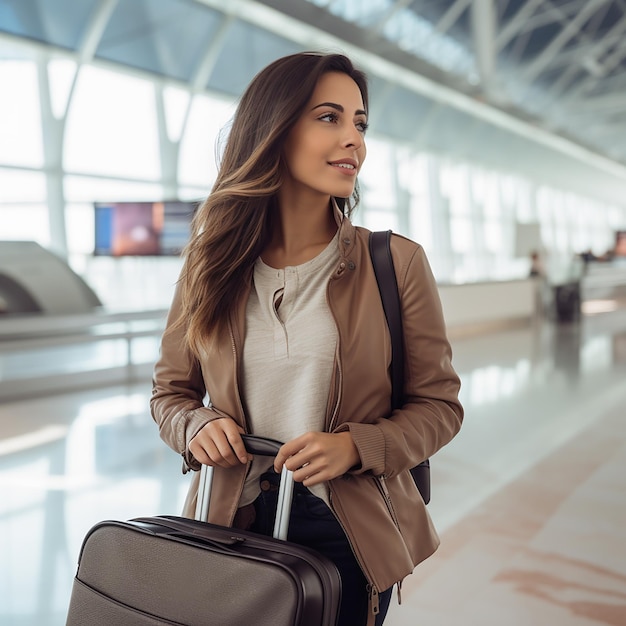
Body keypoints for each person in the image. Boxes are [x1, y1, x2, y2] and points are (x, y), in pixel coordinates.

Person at [151, 51, 463, 626]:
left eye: (360, 123)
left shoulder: (394, 263)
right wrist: (197, 425)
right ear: (273, 129)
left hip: (348, 531)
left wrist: (357, 447)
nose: (354, 140)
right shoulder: (210, 264)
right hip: (229, 520)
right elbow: (169, 395)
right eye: (329, 118)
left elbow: (441, 408)